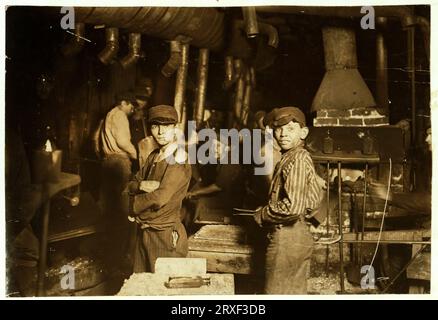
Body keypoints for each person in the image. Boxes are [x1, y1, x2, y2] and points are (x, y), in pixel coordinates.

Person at [253, 106, 322, 294]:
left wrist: (263, 213)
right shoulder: (292, 157)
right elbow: (312, 201)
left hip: (288, 239)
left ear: (304, 132)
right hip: (296, 236)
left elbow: (292, 208)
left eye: (291, 128)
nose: (283, 134)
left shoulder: (297, 159)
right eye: (279, 129)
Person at [126, 105, 191, 273]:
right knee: (140, 288)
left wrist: (132, 204)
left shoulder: (178, 158)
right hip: (145, 232)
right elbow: (131, 183)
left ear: (175, 128)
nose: (160, 132)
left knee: (162, 292)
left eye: (167, 126)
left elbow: (160, 198)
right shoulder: (154, 155)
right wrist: (141, 185)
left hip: (164, 236)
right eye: (155, 126)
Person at [99, 91, 139, 271]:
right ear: (123, 102)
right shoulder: (121, 115)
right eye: (131, 105)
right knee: (122, 214)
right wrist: (136, 154)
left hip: (107, 161)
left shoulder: (109, 114)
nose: (132, 109)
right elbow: (123, 141)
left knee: (109, 210)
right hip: (119, 162)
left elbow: (96, 140)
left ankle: (109, 259)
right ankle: (119, 261)